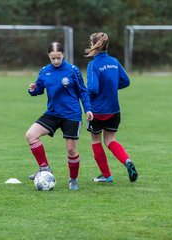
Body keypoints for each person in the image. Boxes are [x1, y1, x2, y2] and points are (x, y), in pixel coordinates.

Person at [25, 42, 93, 190]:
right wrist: (32, 89)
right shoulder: (44, 71)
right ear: (49, 56)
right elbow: (39, 89)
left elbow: (83, 91)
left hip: (71, 115)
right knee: (31, 135)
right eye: (53, 58)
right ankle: (45, 168)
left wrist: (87, 108)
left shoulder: (73, 70)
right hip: (53, 113)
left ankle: (73, 179)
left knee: (71, 149)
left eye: (59, 58)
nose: (56, 61)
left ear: (63, 55)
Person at [84, 32, 138, 183]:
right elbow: (126, 81)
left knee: (96, 141)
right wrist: (111, 87)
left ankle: (107, 176)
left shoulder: (93, 64)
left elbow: (93, 88)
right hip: (114, 109)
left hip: (97, 111)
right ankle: (127, 161)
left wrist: (83, 93)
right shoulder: (114, 61)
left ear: (94, 45)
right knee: (110, 140)